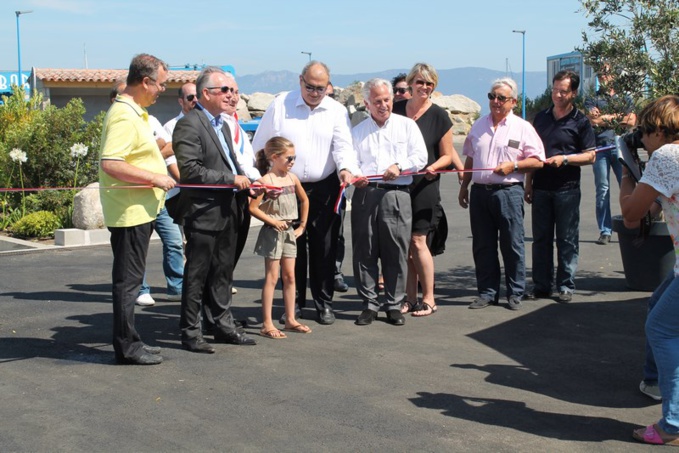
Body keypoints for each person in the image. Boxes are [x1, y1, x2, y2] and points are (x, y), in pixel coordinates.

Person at [252, 61, 359, 325]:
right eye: (309, 87)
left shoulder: (336, 110)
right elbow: (261, 145)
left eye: (320, 89)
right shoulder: (280, 104)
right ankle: (294, 304)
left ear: (328, 87)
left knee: (325, 246)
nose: (313, 93)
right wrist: (264, 181)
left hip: (326, 186)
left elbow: (343, 146)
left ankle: (324, 303)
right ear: (300, 81)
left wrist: (346, 168)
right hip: (285, 186)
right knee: (291, 247)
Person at [98, 53, 175, 365]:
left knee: (130, 281)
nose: (162, 90)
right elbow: (111, 162)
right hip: (129, 212)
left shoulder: (136, 112)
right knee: (128, 283)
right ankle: (127, 347)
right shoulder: (124, 115)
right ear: (145, 82)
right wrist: (155, 177)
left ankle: (130, 342)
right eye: (161, 85)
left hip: (139, 210)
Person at [173, 66, 256, 353]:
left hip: (230, 208)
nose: (231, 95)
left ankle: (222, 325)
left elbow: (231, 165)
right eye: (225, 90)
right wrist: (231, 179)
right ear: (205, 93)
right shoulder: (189, 124)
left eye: (233, 90)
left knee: (223, 273)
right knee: (197, 275)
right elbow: (190, 171)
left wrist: (248, 183)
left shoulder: (222, 124)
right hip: (204, 212)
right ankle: (190, 332)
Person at [620, 95, 679, 446]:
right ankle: (657, 382)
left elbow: (630, 215)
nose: (641, 139)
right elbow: (659, 205)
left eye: (644, 131)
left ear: (659, 130)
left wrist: (627, 170)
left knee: (660, 327)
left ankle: (673, 423)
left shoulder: (667, 155)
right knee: (658, 307)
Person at [458, 78, 545, 310]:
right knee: (483, 245)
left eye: (501, 98)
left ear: (513, 102)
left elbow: (538, 161)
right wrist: (464, 186)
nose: (495, 102)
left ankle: (515, 293)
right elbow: (470, 157)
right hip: (479, 193)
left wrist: (513, 167)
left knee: (512, 244)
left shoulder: (523, 128)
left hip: (508, 192)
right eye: (492, 97)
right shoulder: (478, 126)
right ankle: (487, 292)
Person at [351, 78, 427, 326]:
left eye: (386, 100)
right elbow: (349, 159)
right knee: (365, 251)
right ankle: (369, 304)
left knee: (396, 251)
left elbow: (421, 156)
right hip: (366, 194)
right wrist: (353, 174)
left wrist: (400, 166)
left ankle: (394, 304)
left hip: (397, 194)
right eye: (377, 101)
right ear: (366, 103)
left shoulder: (407, 126)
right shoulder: (358, 131)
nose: (383, 105)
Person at [393, 63, 465, 317]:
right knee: (404, 244)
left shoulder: (439, 116)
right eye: (420, 82)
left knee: (418, 240)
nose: (424, 87)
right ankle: (409, 298)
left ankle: (429, 298)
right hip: (398, 183)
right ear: (410, 83)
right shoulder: (396, 110)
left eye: (429, 83)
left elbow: (447, 155)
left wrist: (433, 167)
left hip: (425, 184)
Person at [526, 70, 596, 304]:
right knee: (541, 239)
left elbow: (590, 156)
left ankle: (565, 285)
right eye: (555, 89)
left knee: (566, 239)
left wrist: (565, 159)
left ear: (573, 93)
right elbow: (533, 154)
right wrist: (528, 183)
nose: (557, 94)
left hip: (567, 188)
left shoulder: (581, 121)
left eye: (563, 91)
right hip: (541, 187)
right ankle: (541, 285)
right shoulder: (541, 118)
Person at [249, 137, 311, 338]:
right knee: (272, 277)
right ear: (274, 157)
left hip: (289, 231)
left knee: (290, 276)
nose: (292, 162)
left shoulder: (292, 178)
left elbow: (304, 200)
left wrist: (302, 225)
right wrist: (273, 221)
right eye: (289, 158)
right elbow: (252, 207)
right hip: (273, 231)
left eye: (294, 158)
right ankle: (267, 323)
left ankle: (291, 319)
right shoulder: (265, 181)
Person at [584, 68, 636, 245]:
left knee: (627, 186)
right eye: (601, 74)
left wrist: (606, 117)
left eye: (607, 73)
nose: (604, 76)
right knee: (602, 189)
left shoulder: (625, 98)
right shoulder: (592, 98)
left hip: (621, 147)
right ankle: (605, 231)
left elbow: (632, 120)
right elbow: (593, 120)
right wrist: (619, 117)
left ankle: (631, 224)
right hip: (600, 149)